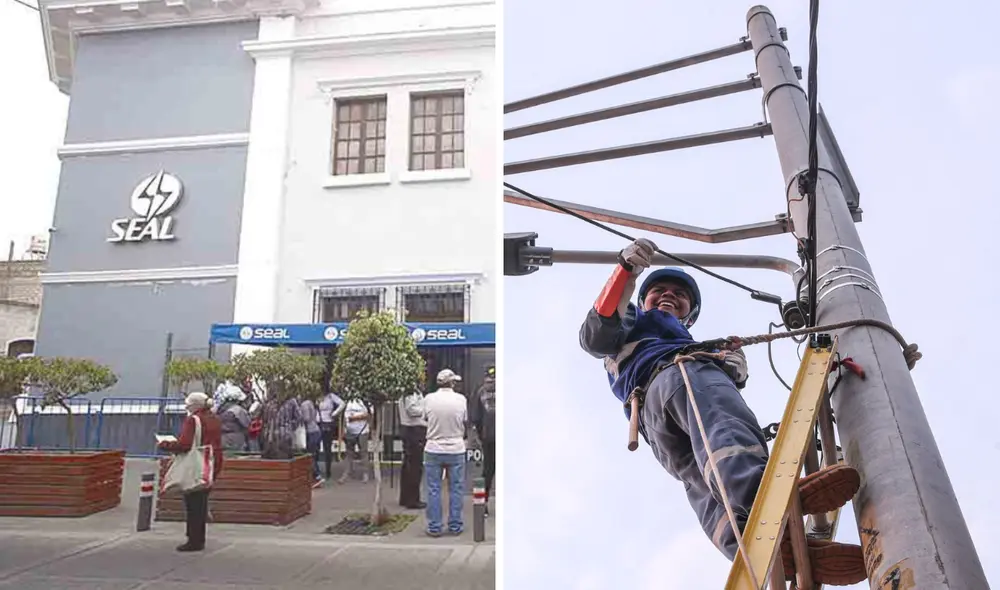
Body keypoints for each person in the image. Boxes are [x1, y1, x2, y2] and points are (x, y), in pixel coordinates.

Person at [578, 238, 866, 586]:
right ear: (641, 301)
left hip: (653, 424)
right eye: (659, 291)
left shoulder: (679, 341)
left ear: (689, 314)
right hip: (679, 377)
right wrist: (625, 273)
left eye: (679, 294)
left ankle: (758, 544)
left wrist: (728, 363)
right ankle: (765, 495)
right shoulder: (633, 319)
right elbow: (595, 333)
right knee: (724, 427)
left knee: (702, 482)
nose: (668, 296)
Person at [158, 392, 223, 552]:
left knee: (193, 503)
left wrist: (165, 444)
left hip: (195, 465)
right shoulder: (214, 418)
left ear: (195, 405)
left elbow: (185, 444)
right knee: (201, 502)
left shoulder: (193, 420)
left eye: (188, 403)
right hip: (211, 462)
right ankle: (199, 538)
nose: (186, 406)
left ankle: (194, 540)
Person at [422, 369, 468, 537]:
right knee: (456, 489)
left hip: (433, 447)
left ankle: (435, 526)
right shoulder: (461, 399)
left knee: (433, 489)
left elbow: (424, 418)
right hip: (456, 448)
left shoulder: (428, 399)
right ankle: (455, 525)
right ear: (452, 383)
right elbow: (464, 420)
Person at [468, 365, 496, 517]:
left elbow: (475, 418)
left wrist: (480, 436)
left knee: (488, 471)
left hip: (488, 437)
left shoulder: (480, 392)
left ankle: (483, 504)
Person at [397, 387, 428, 509]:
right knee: (415, 466)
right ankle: (412, 499)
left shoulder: (413, 391)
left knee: (409, 465)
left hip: (411, 429)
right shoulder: (411, 391)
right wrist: (426, 410)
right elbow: (411, 410)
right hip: (413, 430)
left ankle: (406, 497)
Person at [338, 398, 371, 484]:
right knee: (349, 453)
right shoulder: (349, 401)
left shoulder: (365, 401)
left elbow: (369, 415)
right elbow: (345, 417)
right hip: (350, 431)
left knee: (363, 453)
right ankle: (347, 472)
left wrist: (354, 418)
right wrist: (343, 430)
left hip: (362, 431)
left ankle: (365, 473)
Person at [317, 391, 346, 479]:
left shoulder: (331, 396)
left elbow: (342, 404)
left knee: (327, 448)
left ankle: (328, 471)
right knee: (316, 447)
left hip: (328, 423)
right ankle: (316, 471)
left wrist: (334, 413)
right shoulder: (316, 395)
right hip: (317, 423)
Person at [299, 394, 324, 487]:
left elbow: (306, 418)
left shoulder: (304, 404)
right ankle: (314, 477)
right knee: (313, 455)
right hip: (316, 430)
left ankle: (317, 476)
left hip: (311, 432)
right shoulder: (310, 402)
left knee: (310, 456)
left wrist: (298, 418)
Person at [215, 384, 250, 452]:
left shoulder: (219, 409)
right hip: (236, 441)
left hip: (222, 439)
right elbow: (247, 424)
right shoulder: (238, 410)